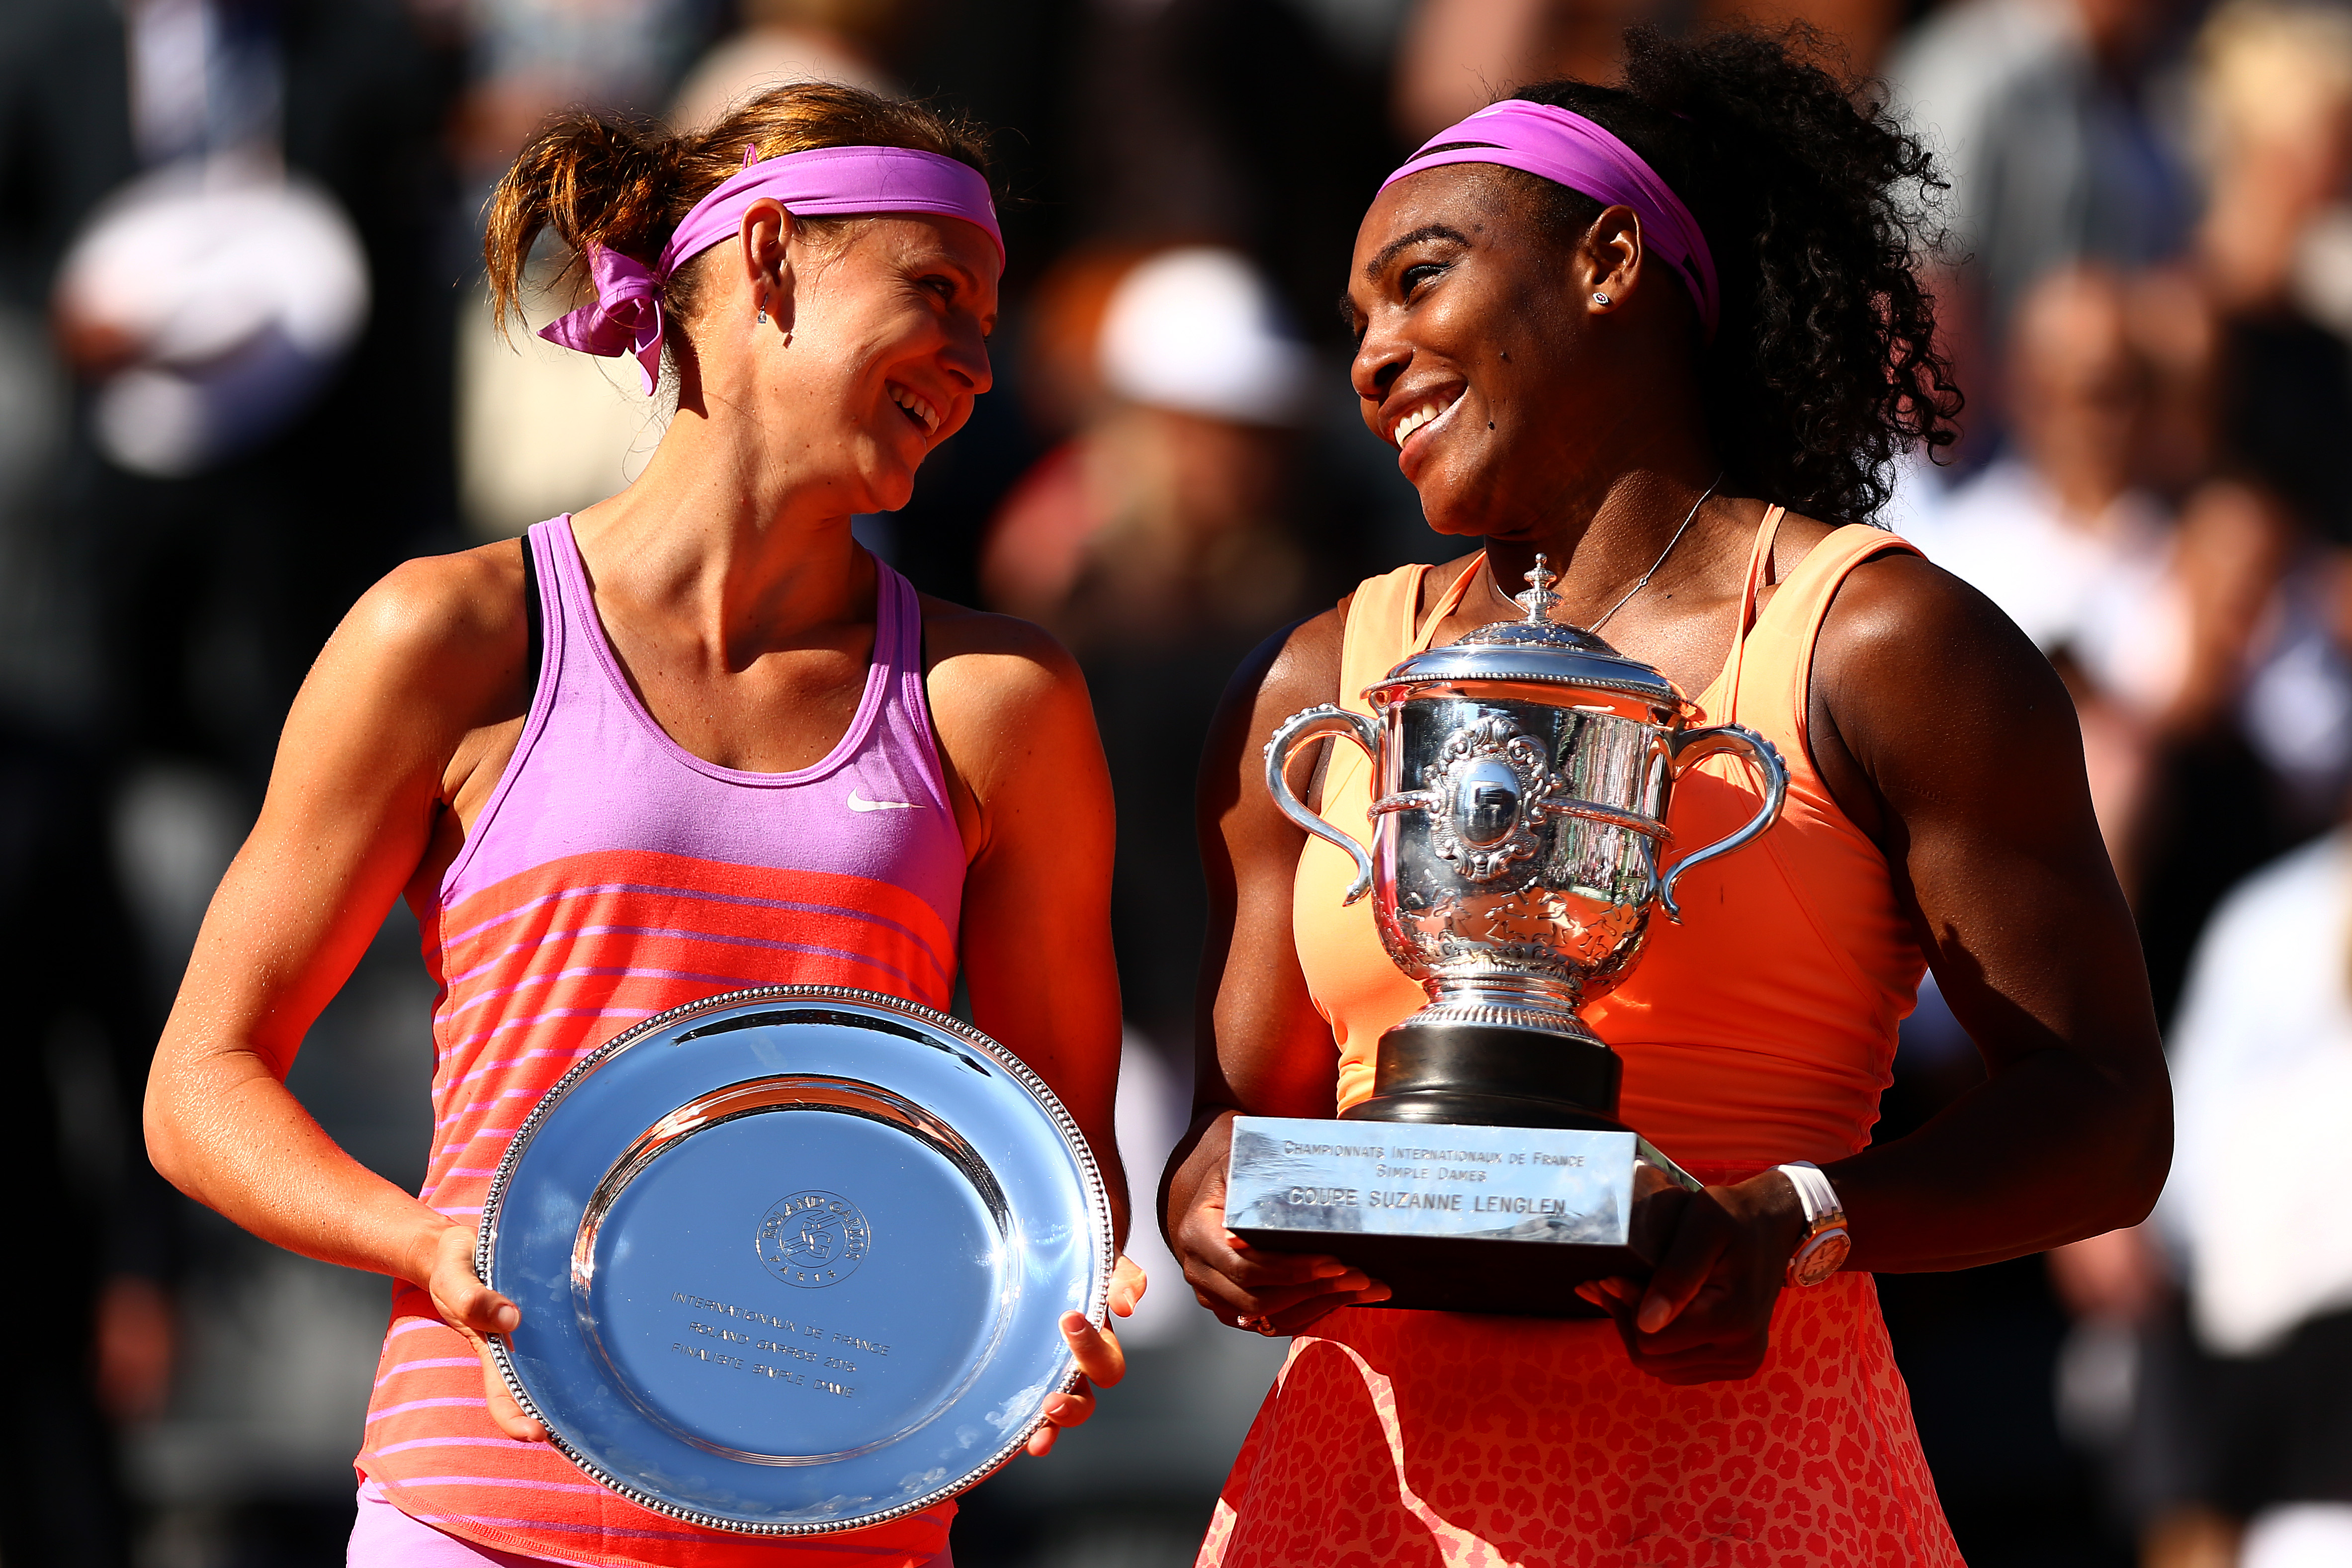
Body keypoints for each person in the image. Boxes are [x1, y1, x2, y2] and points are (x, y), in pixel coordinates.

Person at [1164, 27, 2171, 1566]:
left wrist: (1793, 1220)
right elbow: (1243, 1127)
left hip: (1749, 1483)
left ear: (1608, 260)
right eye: (1355, 315)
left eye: (1419, 279)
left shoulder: (1883, 642)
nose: (1370, 355)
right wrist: (1209, 1198)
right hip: (1360, 1498)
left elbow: (2104, 1120)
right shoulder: (1315, 684)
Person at [143, 82, 1142, 1568]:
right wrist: (427, 1240)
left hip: (846, 1518)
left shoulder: (1002, 696)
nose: (979, 363)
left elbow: (1063, 1155)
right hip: (475, 1511)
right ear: (770, 262)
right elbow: (198, 1083)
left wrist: (1044, 1313)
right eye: (937, 290)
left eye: (989, 317)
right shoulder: (450, 635)